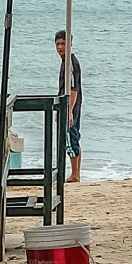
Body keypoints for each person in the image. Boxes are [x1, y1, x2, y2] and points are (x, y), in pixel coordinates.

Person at [56, 31, 83, 184]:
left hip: (71, 106)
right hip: (73, 105)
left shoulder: (70, 63)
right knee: (74, 136)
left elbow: (74, 88)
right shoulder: (66, 61)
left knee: (70, 138)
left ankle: (74, 174)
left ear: (69, 44)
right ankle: (76, 173)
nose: (60, 47)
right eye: (58, 44)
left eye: (63, 44)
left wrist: (69, 110)